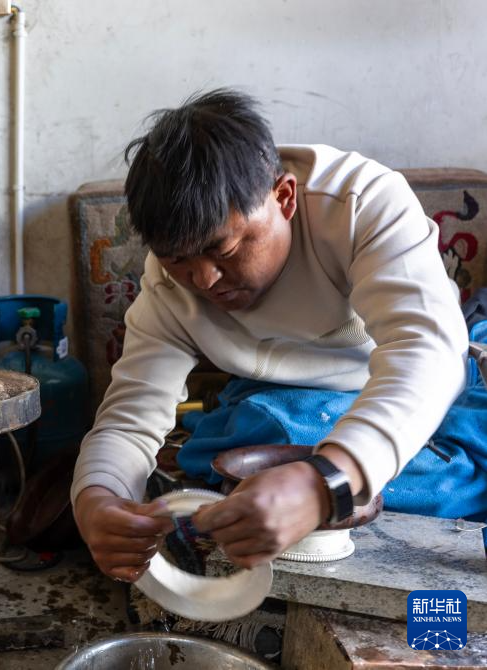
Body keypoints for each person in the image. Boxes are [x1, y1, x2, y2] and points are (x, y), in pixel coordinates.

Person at [71, 89, 470, 582]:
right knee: (253, 435)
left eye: (224, 249)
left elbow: (427, 349)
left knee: (459, 457)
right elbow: (129, 420)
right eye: (179, 260)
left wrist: (325, 481)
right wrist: (98, 498)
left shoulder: (361, 203)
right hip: (274, 401)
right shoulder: (167, 283)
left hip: (388, 381)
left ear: (284, 198)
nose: (204, 280)